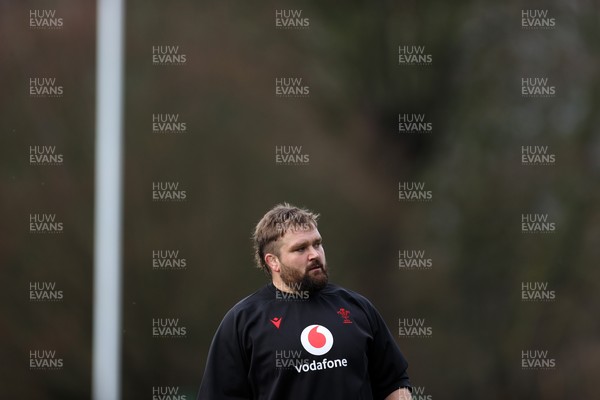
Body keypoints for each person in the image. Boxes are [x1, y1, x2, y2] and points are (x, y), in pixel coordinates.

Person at [197, 203, 412, 400]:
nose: (314, 255)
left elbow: (394, 383)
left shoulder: (357, 307)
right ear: (273, 262)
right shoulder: (243, 321)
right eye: (301, 249)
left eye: (317, 244)